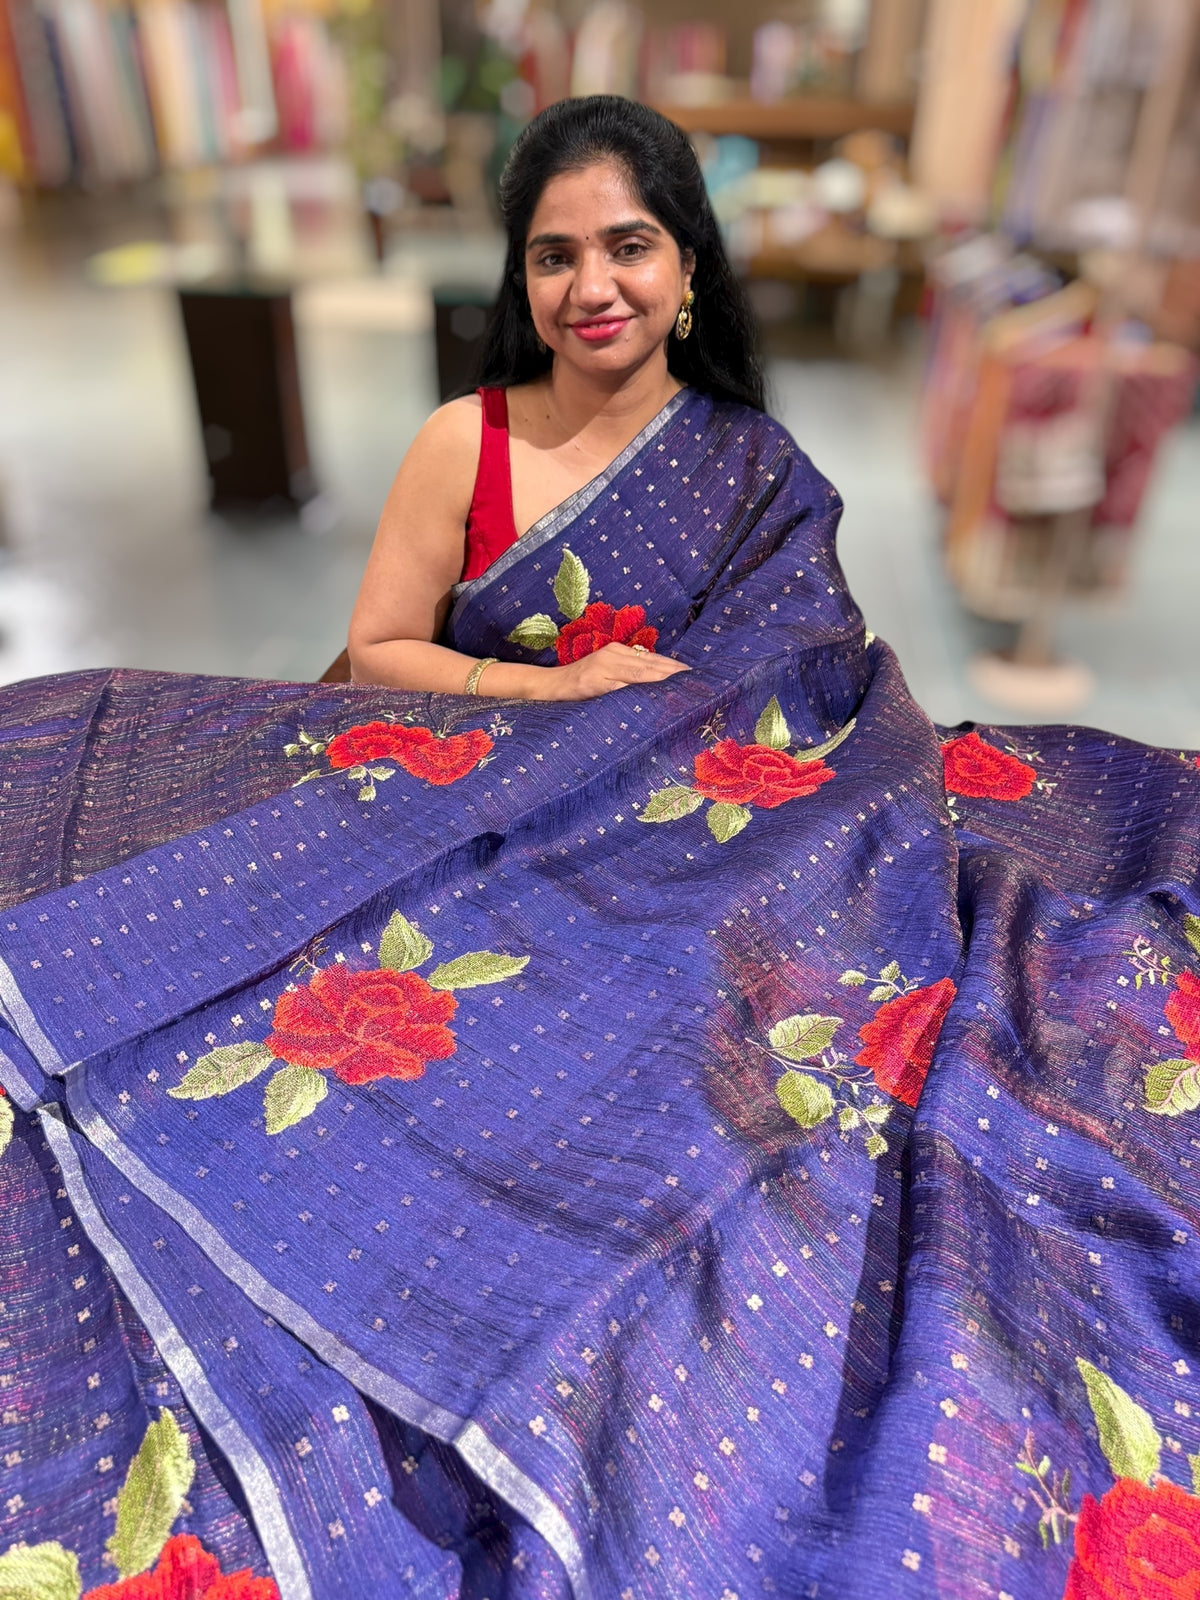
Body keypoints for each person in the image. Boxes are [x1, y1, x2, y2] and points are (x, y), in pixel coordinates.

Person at [0, 94, 1198, 1600]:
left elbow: (803, 671)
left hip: (681, 812)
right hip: (484, 778)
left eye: (628, 245)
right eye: (556, 255)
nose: (594, 286)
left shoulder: (750, 467)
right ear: (524, 279)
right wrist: (554, 695)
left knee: (734, 997)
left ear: (687, 266)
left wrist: (672, 751)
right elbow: (376, 652)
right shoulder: (470, 442)